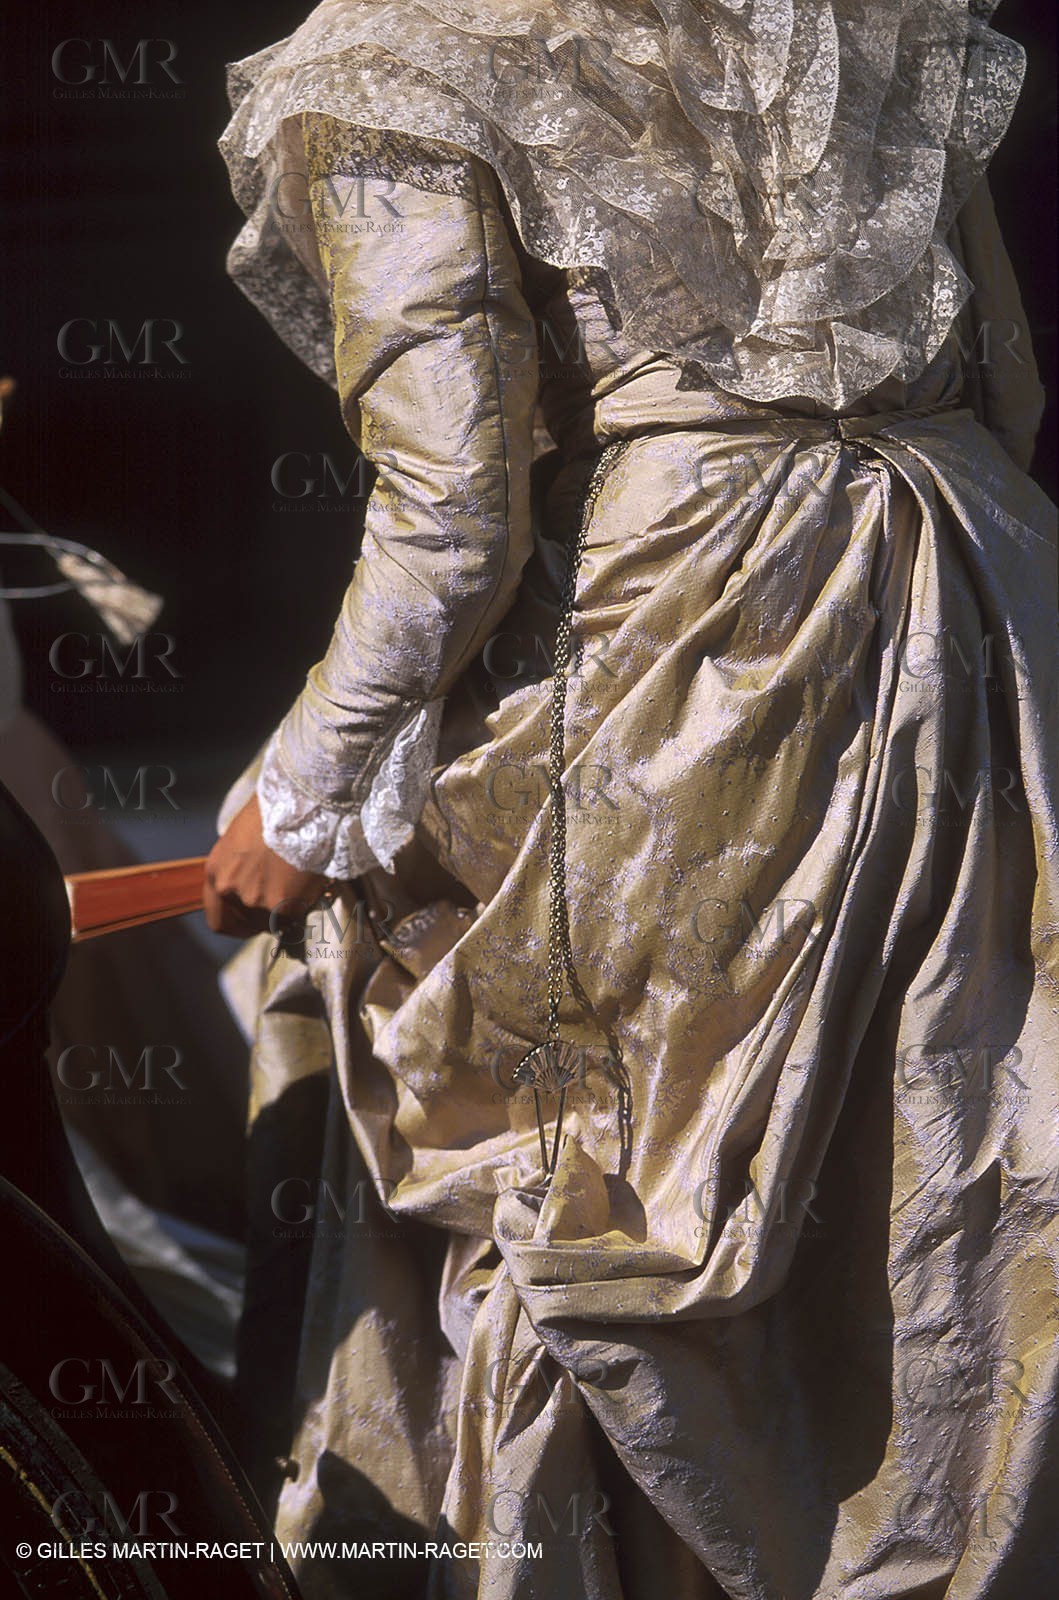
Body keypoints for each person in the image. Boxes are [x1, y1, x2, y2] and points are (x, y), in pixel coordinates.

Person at [207, 3, 1058, 1595]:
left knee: (584, 1172)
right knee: (929, 1157)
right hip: (979, 594)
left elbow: (454, 510)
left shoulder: (405, 50)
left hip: (690, 646)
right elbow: (1005, 381)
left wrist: (312, 778)